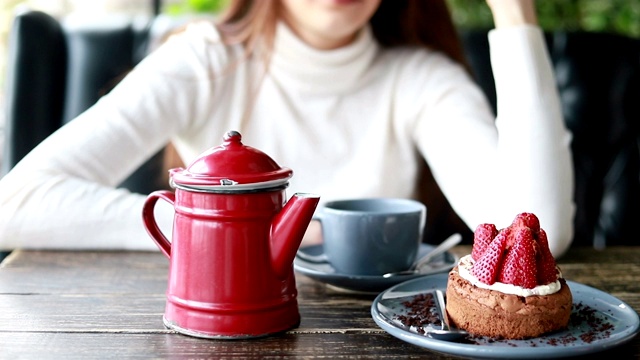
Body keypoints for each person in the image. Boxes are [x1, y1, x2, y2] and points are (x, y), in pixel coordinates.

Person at [0, 0, 575, 257]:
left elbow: (537, 231)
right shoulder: (204, 60)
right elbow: (16, 203)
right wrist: (227, 227)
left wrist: (513, 12)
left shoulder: (420, 79)